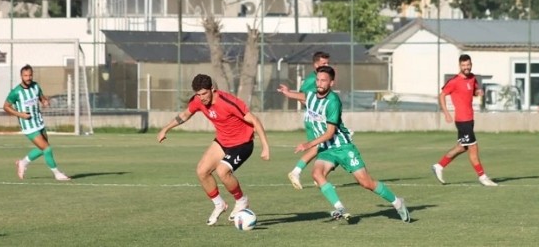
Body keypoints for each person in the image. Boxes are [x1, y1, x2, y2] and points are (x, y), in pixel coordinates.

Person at [282, 66, 410, 223]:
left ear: (332, 83)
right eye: (318, 80)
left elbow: (329, 133)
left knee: (366, 182)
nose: (319, 83)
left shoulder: (333, 102)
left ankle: (397, 202)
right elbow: (302, 95)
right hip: (327, 149)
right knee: (317, 174)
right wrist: (287, 93)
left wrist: (309, 144)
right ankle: (340, 207)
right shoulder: (311, 95)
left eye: (323, 80)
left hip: (343, 147)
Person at [156, 74, 270, 226]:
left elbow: (254, 120)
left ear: (212, 89)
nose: (201, 98)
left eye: (204, 93)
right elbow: (185, 115)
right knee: (202, 171)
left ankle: (242, 201)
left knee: (222, 171)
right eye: (198, 94)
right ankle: (219, 205)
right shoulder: (198, 101)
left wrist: (265, 147)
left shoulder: (228, 102)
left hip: (243, 143)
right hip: (223, 141)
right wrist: (165, 129)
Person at [432, 54, 498, 187]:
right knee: (473, 147)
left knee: (462, 147)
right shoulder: (454, 81)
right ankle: (482, 177)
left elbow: (472, 91)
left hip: (470, 118)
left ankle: (439, 166)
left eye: (468, 65)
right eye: (463, 65)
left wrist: (478, 92)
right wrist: (446, 113)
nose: (466, 67)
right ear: (459, 66)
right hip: (462, 120)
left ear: (471, 64)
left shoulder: (473, 78)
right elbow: (442, 94)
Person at [3, 64, 71, 181]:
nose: (28, 78)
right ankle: (57, 173)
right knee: (47, 148)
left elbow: (42, 98)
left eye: (30, 75)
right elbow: (6, 107)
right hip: (28, 124)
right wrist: (21, 114)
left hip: (38, 121)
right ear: (21, 76)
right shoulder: (16, 92)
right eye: (25, 76)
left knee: (42, 148)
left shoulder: (35, 86)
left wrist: (45, 102)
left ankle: (22, 163)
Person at [281, 51, 330, 190]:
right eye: (323, 63)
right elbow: (303, 96)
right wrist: (314, 109)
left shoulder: (323, 78)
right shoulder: (311, 80)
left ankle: (320, 176)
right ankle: (296, 172)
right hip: (315, 119)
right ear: (315, 64)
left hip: (321, 118)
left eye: (327, 63)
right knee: (318, 146)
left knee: (327, 147)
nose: (327, 65)